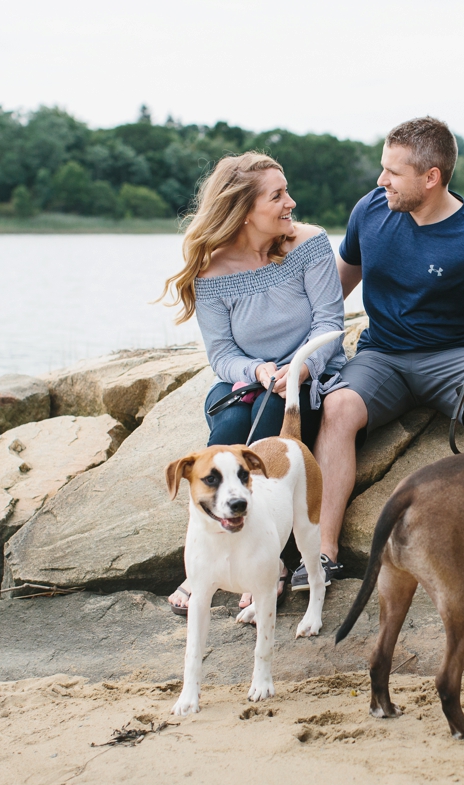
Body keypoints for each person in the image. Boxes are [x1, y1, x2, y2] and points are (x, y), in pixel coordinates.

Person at [294, 116, 464, 592]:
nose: (381, 180)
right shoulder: (371, 211)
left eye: (392, 172)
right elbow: (340, 283)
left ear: (431, 177)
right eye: (382, 169)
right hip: (382, 355)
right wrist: (293, 350)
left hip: (451, 357)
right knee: (338, 406)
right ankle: (322, 553)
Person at [158, 151, 347, 614]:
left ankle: (274, 562)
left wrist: (299, 370)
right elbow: (222, 355)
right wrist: (259, 371)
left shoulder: (310, 244)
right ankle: (203, 562)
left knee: (272, 447)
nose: (291, 202)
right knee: (228, 433)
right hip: (250, 379)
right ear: (244, 210)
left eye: (286, 192)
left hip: (311, 372)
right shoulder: (210, 271)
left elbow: (329, 323)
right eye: (278, 195)